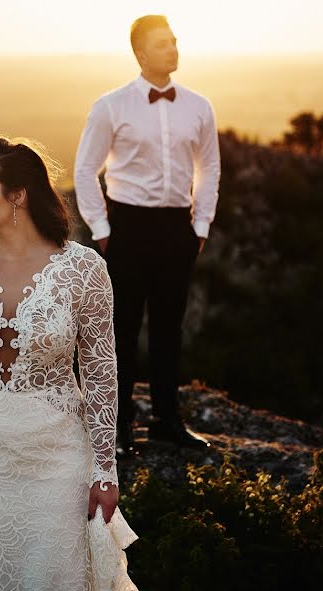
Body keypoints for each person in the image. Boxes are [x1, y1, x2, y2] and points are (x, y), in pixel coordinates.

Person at [0, 136, 141, 591]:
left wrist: (105, 469)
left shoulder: (85, 269)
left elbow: (101, 372)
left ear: (17, 194)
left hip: (56, 462)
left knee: (53, 584)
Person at [74, 14, 221, 457]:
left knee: (168, 328)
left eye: (174, 41)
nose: (173, 49)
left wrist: (200, 224)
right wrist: (102, 229)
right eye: (162, 43)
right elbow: (84, 169)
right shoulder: (111, 106)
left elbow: (209, 166)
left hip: (177, 226)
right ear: (140, 53)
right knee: (121, 329)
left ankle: (166, 419)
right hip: (127, 228)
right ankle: (116, 428)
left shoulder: (198, 106)